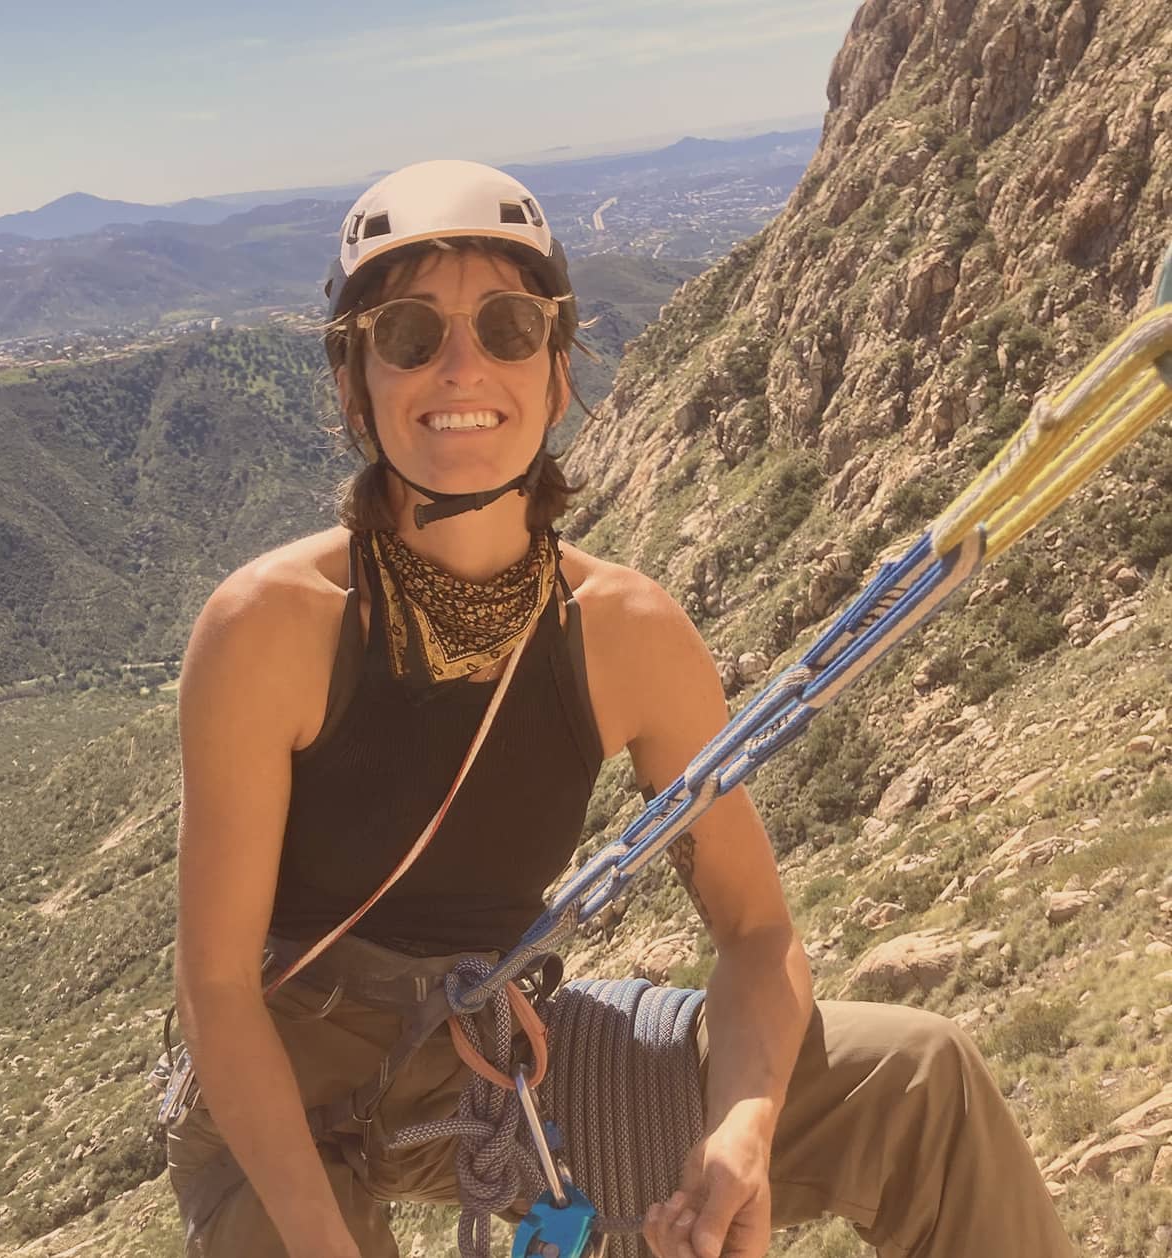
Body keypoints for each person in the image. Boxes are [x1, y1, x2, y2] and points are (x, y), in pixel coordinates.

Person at [166, 160, 1076, 1258]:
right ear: (355, 382)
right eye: (408, 333)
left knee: (917, 1082)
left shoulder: (627, 633)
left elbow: (753, 929)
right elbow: (218, 990)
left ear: (554, 373)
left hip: (486, 1040)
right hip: (284, 1053)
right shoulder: (270, 626)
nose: (462, 364)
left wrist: (739, 1131)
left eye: (506, 326)